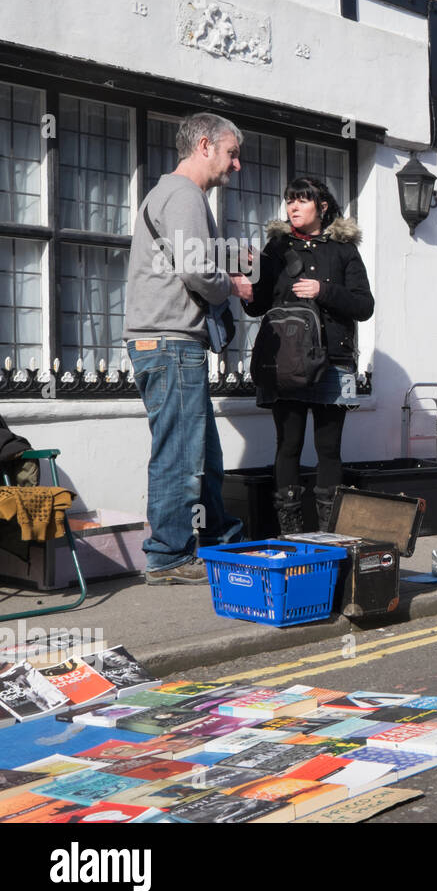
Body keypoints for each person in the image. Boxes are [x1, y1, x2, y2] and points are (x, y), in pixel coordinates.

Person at [124, 112, 253, 584]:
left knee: (204, 453)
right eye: (231, 152)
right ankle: (168, 555)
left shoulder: (171, 194)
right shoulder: (184, 195)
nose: (236, 164)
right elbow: (198, 270)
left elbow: (187, 261)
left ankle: (218, 540)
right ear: (204, 146)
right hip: (171, 341)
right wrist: (233, 286)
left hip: (167, 340)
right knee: (180, 452)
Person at [246, 177, 374, 533]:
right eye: (289, 201)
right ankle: (291, 531)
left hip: (333, 360)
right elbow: (257, 307)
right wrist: (246, 285)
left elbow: (364, 306)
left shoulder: (344, 249)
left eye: (302, 200)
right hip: (285, 362)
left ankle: (328, 534)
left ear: (322, 206)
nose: (293, 207)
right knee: (288, 445)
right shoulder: (275, 248)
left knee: (329, 448)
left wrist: (324, 290)